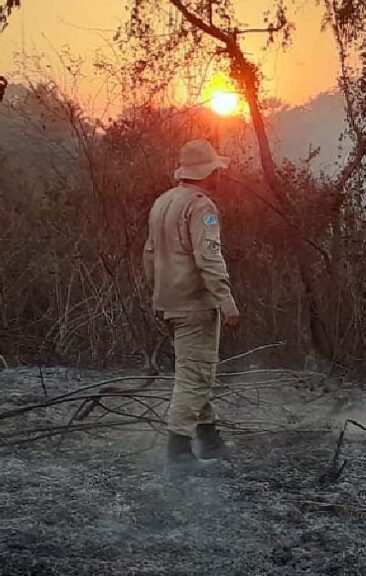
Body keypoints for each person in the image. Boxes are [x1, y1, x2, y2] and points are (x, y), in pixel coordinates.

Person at [143, 139, 241, 471]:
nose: (219, 176)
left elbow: (149, 254)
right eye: (216, 170)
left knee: (195, 368)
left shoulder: (162, 202)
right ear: (208, 172)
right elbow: (209, 257)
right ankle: (180, 449)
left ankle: (210, 438)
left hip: (169, 301)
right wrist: (226, 301)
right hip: (195, 303)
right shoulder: (202, 207)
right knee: (196, 375)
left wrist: (158, 293)